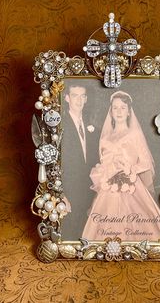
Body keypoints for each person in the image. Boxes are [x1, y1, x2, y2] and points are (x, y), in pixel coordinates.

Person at [82, 91, 160, 241]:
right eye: (115, 108)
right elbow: (103, 161)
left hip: (131, 185)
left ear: (129, 112)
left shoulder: (135, 134)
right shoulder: (105, 137)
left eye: (123, 108)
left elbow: (146, 162)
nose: (119, 111)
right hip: (109, 188)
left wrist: (130, 169)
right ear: (111, 111)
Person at [61, 85, 99, 240]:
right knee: (70, 236)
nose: (79, 99)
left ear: (86, 99)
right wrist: (61, 194)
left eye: (82, 96)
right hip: (68, 192)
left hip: (87, 191)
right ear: (67, 98)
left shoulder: (91, 127)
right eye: (75, 95)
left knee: (85, 235)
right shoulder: (60, 126)